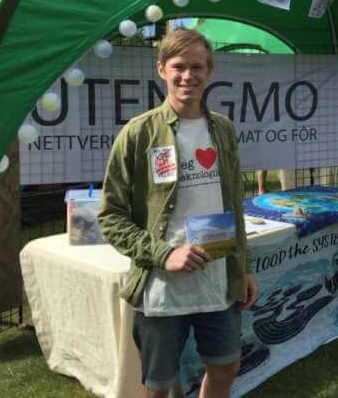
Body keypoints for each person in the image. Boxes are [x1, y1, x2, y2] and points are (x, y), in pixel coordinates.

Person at [98, 28, 258, 398]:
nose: (189, 75)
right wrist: (164, 253)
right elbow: (110, 215)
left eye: (197, 67)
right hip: (161, 289)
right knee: (158, 386)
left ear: (209, 71)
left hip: (218, 282)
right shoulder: (138, 134)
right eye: (179, 66)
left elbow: (233, 202)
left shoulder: (223, 129)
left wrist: (244, 267)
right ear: (161, 70)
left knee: (226, 367)